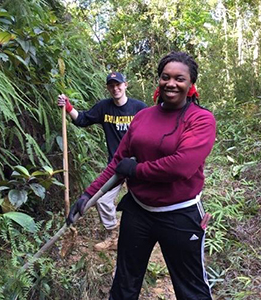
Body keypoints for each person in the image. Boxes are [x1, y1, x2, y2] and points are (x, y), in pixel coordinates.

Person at [67, 51, 216, 299]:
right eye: (165, 77)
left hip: (180, 215)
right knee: (124, 283)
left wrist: (135, 170)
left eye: (179, 78)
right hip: (138, 212)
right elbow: (117, 161)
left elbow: (181, 166)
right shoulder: (143, 116)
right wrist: (87, 195)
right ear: (158, 80)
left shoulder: (201, 119)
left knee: (191, 289)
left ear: (191, 84)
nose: (171, 83)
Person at [58, 72, 147, 251]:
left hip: (138, 164)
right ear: (108, 88)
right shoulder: (104, 107)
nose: (115, 88)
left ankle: (146, 236)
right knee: (103, 199)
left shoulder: (139, 108)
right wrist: (68, 107)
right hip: (115, 166)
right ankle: (113, 235)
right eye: (111, 86)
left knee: (141, 201)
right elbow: (82, 119)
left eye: (118, 84)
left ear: (125, 85)